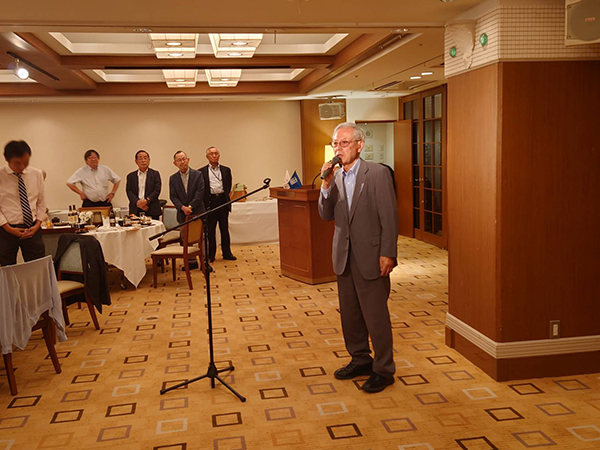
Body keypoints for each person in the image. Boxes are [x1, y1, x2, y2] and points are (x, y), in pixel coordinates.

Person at [318, 122, 399, 393]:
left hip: (372, 256)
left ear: (359, 145)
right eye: (335, 144)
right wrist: (326, 185)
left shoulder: (377, 173)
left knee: (375, 316)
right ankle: (360, 359)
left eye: (344, 143)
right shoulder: (335, 177)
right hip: (344, 256)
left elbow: (389, 216)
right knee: (350, 315)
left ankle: (384, 370)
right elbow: (325, 214)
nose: (338, 149)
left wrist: (388, 252)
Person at [0, 140, 47, 266]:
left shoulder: (36, 174)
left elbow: (41, 202)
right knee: (7, 268)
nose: (22, 167)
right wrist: (9, 228)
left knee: (37, 266)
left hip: (32, 228)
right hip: (6, 230)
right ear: (6, 159)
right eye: (17, 163)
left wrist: (37, 225)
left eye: (26, 162)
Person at [169, 150, 205, 270]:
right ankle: (191, 262)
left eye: (184, 159)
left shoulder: (198, 174)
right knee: (185, 238)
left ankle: (204, 262)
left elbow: (200, 192)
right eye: (179, 160)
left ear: (188, 160)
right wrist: (183, 208)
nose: (182, 162)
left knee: (202, 237)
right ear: (175, 163)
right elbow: (173, 196)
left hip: (197, 210)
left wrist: (190, 207)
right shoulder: (173, 178)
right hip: (183, 213)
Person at [199, 146, 236, 262]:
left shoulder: (226, 170)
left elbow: (228, 185)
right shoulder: (201, 172)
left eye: (216, 153)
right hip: (210, 202)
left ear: (219, 155)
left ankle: (227, 253)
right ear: (207, 157)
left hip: (223, 201)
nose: (214, 156)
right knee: (210, 230)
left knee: (224, 229)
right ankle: (211, 255)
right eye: (211, 154)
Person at [125, 150, 162, 219]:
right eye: (140, 158)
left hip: (151, 209)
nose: (143, 160)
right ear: (136, 161)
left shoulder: (155, 174)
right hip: (135, 209)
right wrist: (138, 202)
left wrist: (146, 201)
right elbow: (129, 191)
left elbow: (157, 190)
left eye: (145, 158)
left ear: (149, 160)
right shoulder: (130, 176)